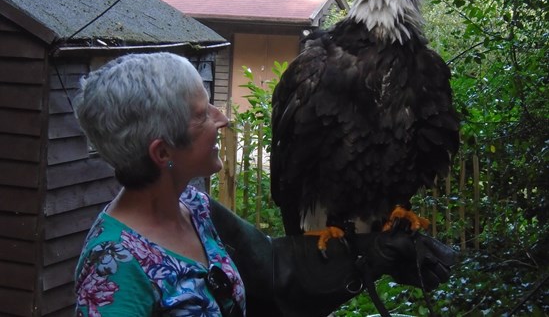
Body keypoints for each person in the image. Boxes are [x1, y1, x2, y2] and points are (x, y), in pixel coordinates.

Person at [73, 52, 456, 317]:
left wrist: (374, 255)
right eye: (203, 114)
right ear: (162, 152)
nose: (222, 118)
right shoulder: (112, 269)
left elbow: (272, 270)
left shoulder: (193, 207)